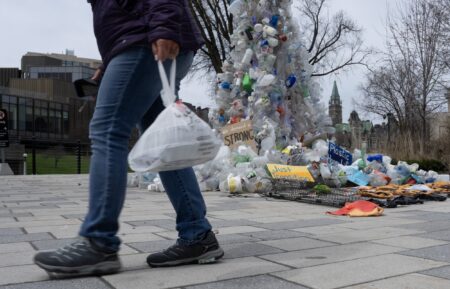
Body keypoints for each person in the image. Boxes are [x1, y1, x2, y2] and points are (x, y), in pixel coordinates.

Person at [33, 0, 223, 275]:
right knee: (165, 142)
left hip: (147, 40)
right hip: (146, 37)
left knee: (108, 130)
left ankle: (98, 242)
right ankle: (197, 235)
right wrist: (109, 62)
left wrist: (164, 26)